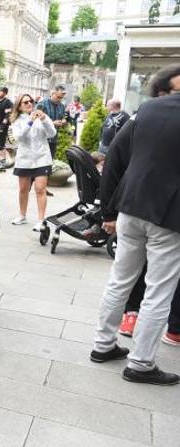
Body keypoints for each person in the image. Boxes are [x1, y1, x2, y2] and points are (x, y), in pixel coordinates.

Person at [90, 63, 180, 385]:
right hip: (169, 216)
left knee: (120, 280)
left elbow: (115, 153)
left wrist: (108, 212)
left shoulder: (148, 109)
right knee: (158, 291)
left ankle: (103, 345)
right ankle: (140, 363)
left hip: (130, 207)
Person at [9, 93, 55, 231]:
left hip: (42, 158)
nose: (29, 104)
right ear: (19, 106)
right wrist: (30, 121)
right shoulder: (16, 120)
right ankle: (22, 216)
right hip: (25, 159)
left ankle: (41, 220)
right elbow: (19, 137)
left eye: (31, 101)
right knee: (23, 189)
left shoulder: (41, 117)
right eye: (25, 102)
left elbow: (52, 133)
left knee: (40, 189)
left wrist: (45, 119)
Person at [35, 84, 67, 161]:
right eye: (58, 97)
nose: (59, 99)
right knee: (40, 162)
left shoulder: (62, 106)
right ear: (53, 93)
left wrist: (63, 121)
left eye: (61, 98)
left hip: (54, 139)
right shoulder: (42, 104)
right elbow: (35, 121)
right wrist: (52, 123)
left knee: (49, 162)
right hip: (42, 139)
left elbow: (64, 117)